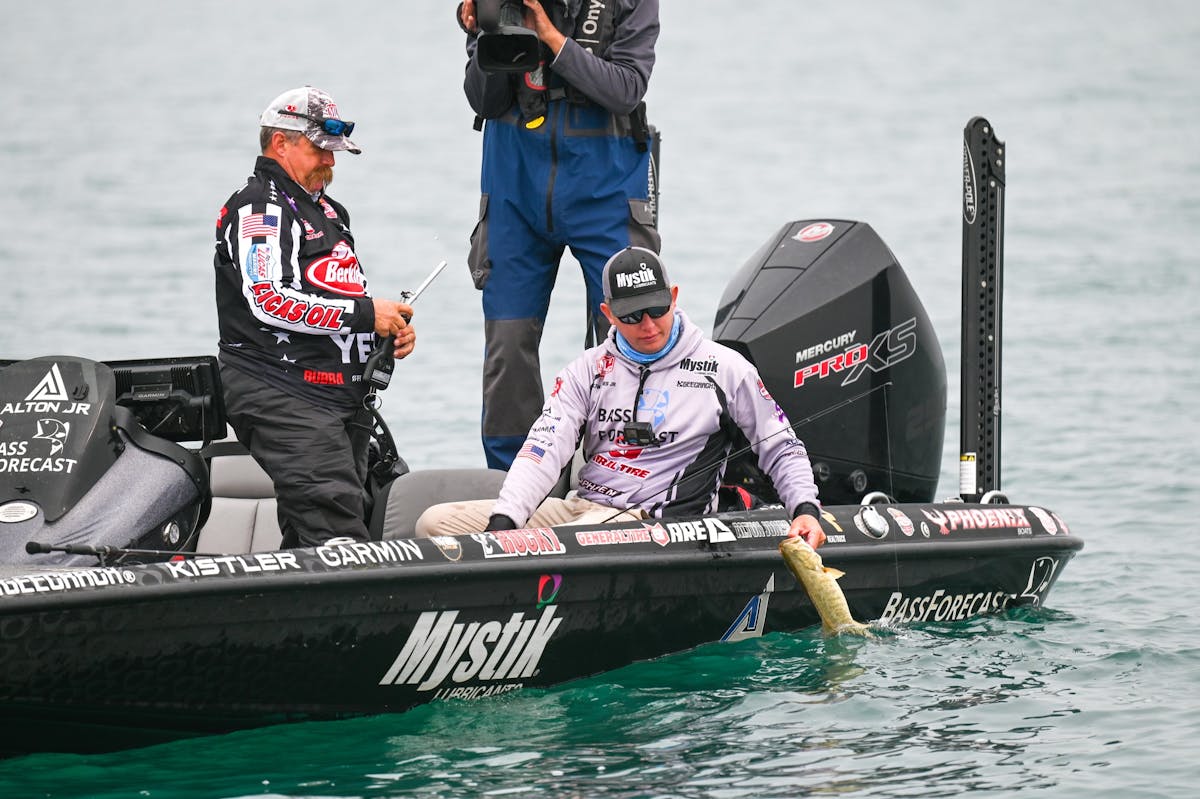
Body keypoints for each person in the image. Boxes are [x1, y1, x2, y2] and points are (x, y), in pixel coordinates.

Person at [416, 247, 827, 549]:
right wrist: (505, 521)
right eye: (631, 316)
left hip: (657, 526)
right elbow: (542, 451)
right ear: (608, 313)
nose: (648, 325)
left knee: (572, 539)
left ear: (675, 296)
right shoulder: (586, 371)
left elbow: (781, 446)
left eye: (656, 309)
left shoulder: (726, 368)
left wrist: (805, 509)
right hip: (583, 508)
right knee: (434, 525)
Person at [457, 0, 662, 470]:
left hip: (606, 187)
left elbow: (627, 89)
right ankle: (512, 480)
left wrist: (551, 38)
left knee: (630, 332)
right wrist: (489, 31)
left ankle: (623, 472)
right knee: (508, 345)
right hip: (514, 186)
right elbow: (483, 101)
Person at [213, 86, 417, 548]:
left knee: (324, 529)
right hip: (281, 390)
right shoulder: (260, 206)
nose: (331, 162)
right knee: (337, 534)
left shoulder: (328, 211)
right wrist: (367, 314)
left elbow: (341, 299)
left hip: (338, 398)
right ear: (280, 143)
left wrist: (388, 333)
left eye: (334, 152)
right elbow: (268, 299)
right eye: (319, 150)